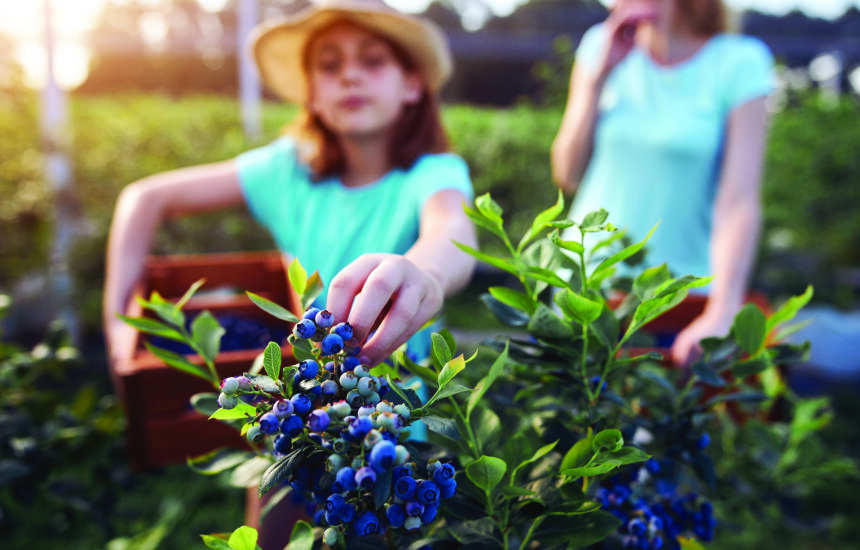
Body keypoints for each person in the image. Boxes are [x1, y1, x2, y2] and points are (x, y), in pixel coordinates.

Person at [102, 1, 476, 546]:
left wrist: (423, 273)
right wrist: (118, 327)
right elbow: (144, 198)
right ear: (312, 93)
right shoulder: (286, 173)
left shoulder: (434, 172)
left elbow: (453, 233)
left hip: (396, 415)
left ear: (413, 86)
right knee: (275, 535)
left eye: (373, 60)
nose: (349, 73)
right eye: (328, 65)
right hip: (301, 409)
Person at [551, 0, 773, 366]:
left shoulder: (739, 62)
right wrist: (599, 74)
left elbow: (739, 200)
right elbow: (567, 173)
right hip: (585, 289)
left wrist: (723, 309)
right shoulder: (599, 45)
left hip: (681, 302)